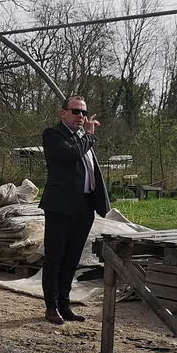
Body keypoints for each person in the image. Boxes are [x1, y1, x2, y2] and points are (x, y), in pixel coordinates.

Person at [38, 93, 110, 325]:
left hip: (84, 206)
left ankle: (65, 304)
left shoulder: (84, 140)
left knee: (72, 258)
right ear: (64, 113)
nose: (81, 116)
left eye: (84, 112)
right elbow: (70, 154)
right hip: (60, 206)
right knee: (55, 257)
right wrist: (88, 134)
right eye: (76, 111)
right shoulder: (53, 135)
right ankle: (51, 306)